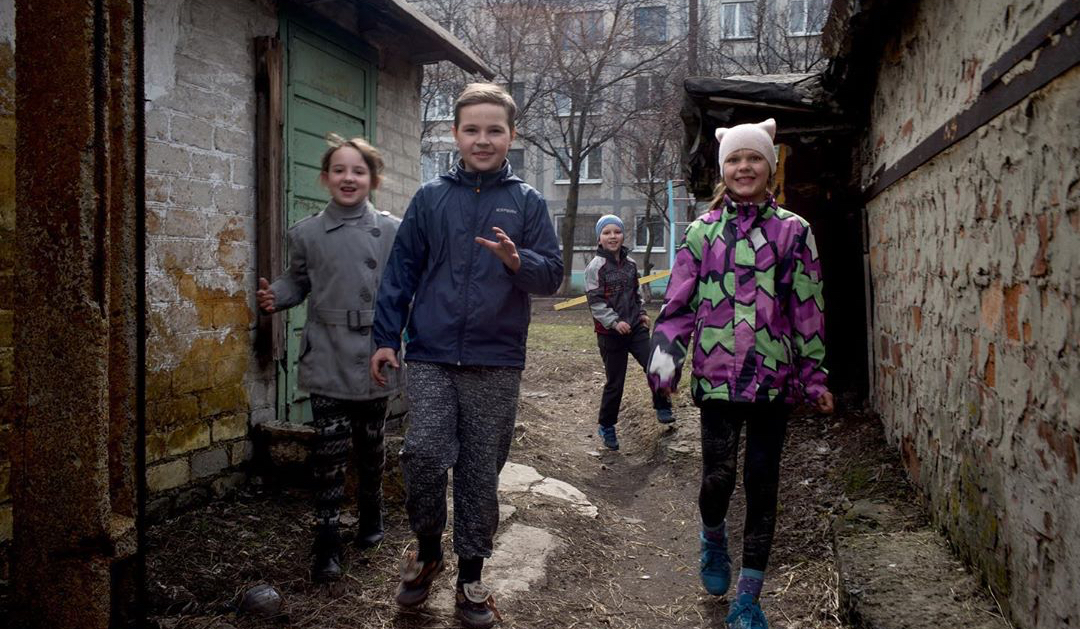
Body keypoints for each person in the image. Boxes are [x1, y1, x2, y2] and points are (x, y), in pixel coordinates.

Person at [370, 83, 562, 629]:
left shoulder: (526, 201)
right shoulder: (431, 198)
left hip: (496, 360)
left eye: (494, 130)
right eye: (472, 129)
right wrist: (387, 336)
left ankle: (471, 578)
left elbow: (549, 275)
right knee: (424, 455)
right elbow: (401, 271)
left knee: (480, 473)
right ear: (455, 134)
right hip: (429, 354)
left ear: (511, 136)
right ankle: (429, 550)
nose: (483, 139)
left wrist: (515, 259)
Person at [646, 119, 834, 629]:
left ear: (769, 168)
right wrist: (664, 360)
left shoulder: (794, 232)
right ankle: (712, 537)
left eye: (753, 158)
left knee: (762, 481)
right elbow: (678, 305)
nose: (743, 167)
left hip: (773, 379)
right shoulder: (701, 233)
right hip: (716, 376)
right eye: (734, 159)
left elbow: (807, 309)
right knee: (718, 476)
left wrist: (814, 377)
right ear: (723, 169)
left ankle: (749, 597)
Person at [255, 134, 403, 583]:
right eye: (339, 170)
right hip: (327, 352)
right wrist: (275, 297)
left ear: (373, 179)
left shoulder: (392, 230)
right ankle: (327, 540)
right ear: (324, 178)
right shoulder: (306, 233)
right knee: (329, 452)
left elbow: (402, 287)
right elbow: (296, 281)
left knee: (372, 445)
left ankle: (372, 514)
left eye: (358, 171)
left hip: (375, 353)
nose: (348, 178)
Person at [584, 214, 675, 451]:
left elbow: (636, 293)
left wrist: (642, 312)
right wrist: (614, 322)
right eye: (607, 233)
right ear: (600, 238)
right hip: (609, 333)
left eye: (617, 231)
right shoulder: (596, 267)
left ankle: (662, 405)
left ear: (623, 235)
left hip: (635, 328)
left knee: (654, 364)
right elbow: (595, 303)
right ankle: (607, 425)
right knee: (616, 383)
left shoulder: (631, 264)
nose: (612, 236)